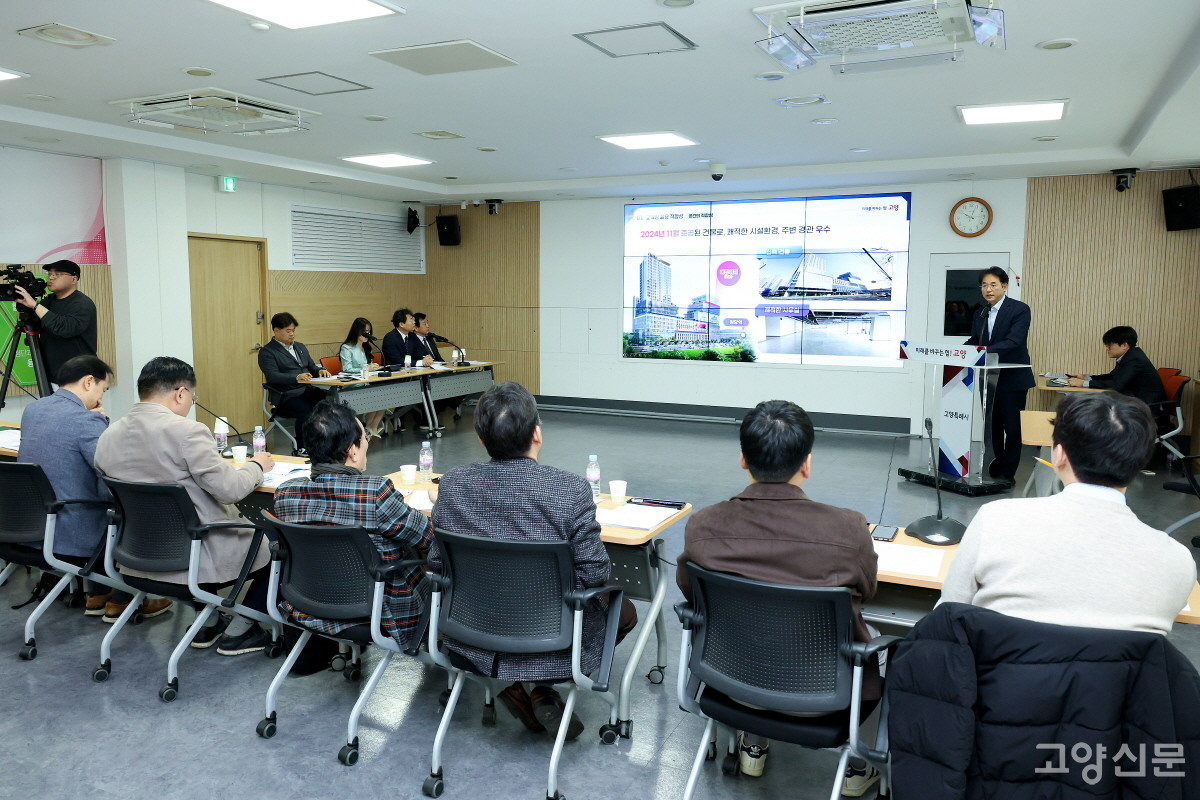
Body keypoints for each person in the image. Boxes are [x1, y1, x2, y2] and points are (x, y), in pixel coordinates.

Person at [675, 399, 881, 795]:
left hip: (729, 682)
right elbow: (866, 594)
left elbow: (692, 593)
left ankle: (752, 742)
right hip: (824, 697)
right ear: (807, 463)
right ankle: (857, 771)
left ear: (742, 459)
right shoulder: (849, 530)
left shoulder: (703, 526)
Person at [431, 381, 637, 740]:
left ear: (481, 439)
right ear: (537, 433)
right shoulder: (569, 490)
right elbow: (595, 572)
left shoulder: (453, 484)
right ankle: (543, 685)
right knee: (626, 611)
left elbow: (436, 563)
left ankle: (509, 684)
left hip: (471, 629)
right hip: (550, 640)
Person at [941, 391, 1194, 635]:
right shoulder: (1178, 561)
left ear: (1059, 454)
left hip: (1001, 677)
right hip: (1111, 680)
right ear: (1140, 460)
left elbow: (949, 615)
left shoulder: (996, 521)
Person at [94, 356, 278, 655]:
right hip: (194, 554)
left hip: (137, 554)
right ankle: (242, 627)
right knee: (280, 544)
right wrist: (257, 466)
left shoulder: (108, 435)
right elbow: (231, 490)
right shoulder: (187, 432)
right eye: (192, 397)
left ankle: (211, 619)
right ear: (180, 393)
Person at [17, 355, 171, 622]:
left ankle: (98, 596)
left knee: (104, 504)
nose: (102, 396)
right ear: (89, 382)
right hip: (71, 530)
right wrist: (102, 422)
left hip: (31, 525)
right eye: (103, 389)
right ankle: (122, 601)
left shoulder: (35, 409)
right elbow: (114, 468)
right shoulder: (86, 421)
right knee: (129, 508)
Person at [273, 401, 433, 649]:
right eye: (365, 437)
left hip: (309, 602)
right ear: (353, 451)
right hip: (382, 611)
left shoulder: (285, 494)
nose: (368, 442)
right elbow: (428, 538)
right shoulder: (374, 493)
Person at [964, 267, 1034, 484]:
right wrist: (959, 352)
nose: (988, 289)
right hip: (988, 378)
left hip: (1012, 379)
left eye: (993, 284)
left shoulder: (1020, 309)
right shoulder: (980, 312)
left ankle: (1007, 472)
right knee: (992, 426)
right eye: (984, 285)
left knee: (1012, 427)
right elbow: (976, 339)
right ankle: (993, 464)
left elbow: (1014, 342)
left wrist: (983, 351)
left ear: (1005, 286)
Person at [13, 259, 98, 384]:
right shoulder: (48, 301)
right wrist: (27, 306)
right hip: (53, 375)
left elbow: (63, 328)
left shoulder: (82, 304)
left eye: (57, 274)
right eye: (49, 274)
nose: (51, 278)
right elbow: (36, 323)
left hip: (79, 377)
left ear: (74, 279)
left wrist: (35, 306)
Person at [258, 312, 331, 455]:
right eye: (288, 331)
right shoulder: (267, 352)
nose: (292, 334)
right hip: (286, 396)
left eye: (293, 330)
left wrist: (320, 370)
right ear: (276, 331)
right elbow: (273, 376)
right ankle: (300, 446)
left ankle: (322, 442)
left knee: (329, 404)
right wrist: (296, 377)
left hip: (308, 390)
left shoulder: (300, 347)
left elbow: (311, 366)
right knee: (308, 408)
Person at [1066, 325, 1167, 406]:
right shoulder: (1130, 356)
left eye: (1109, 345)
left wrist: (1083, 383)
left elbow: (1116, 385)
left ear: (1124, 345)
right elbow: (1112, 376)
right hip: (1135, 401)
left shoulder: (1135, 359)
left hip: (1145, 407)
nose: (1107, 349)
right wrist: (1087, 378)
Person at [338, 317, 387, 438]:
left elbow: (366, 367)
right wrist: (366, 369)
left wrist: (373, 368)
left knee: (385, 396)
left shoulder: (365, 347)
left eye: (369, 331)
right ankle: (367, 431)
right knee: (375, 397)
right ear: (356, 331)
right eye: (365, 331)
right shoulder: (347, 347)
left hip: (365, 384)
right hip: (352, 387)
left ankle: (371, 428)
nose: (367, 334)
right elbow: (347, 370)